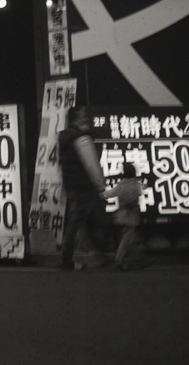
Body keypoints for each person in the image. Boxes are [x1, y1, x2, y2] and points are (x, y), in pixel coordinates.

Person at [58, 106, 110, 270]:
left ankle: (102, 254)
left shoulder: (65, 138)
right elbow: (92, 165)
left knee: (86, 221)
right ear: (75, 120)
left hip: (73, 186)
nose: (86, 119)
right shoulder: (82, 138)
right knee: (81, 222)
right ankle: (68, 261)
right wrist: (101, 186)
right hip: (85, 187)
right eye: (82, 117)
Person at [108, 161, 143, 270]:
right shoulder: (136, 185)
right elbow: (140, 193)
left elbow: (109, 194)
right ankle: (119, 261)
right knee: (128, 239)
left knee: (129, 238)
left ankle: (129, 260)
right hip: (132, 216)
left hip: (121, 215)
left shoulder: (120, 185)